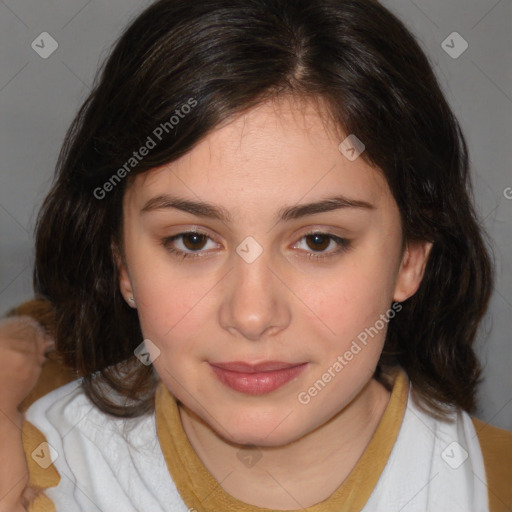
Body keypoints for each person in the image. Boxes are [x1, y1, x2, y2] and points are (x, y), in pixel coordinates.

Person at [1, 0, 511, 510]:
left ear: (411, 259)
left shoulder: (494, 484)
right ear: (121, 261)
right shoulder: (33, 476)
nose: (251, 315)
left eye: (318, 241)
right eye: (193, 240)